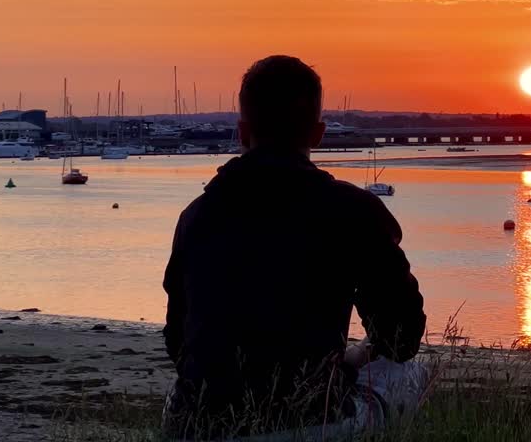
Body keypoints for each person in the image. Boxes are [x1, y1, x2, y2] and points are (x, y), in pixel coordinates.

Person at [161, 55, 427, 440]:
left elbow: (178, 342)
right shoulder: (352, 210)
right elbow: (401, 338)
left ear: (242, 131)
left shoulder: (196, 216)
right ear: (318, 134)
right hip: (306, 421)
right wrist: (352, 358)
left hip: (196, 425)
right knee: (409, 372)